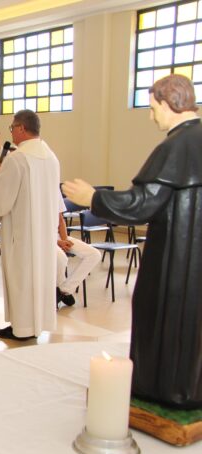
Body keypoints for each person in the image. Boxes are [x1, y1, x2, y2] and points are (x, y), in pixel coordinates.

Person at [62, 74, 202, 408]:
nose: (152, 115)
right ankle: (192, 388)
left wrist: (93, 197)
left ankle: (163, 391)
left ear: (170, 104)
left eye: (154, 108)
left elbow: (143, 204)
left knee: (163, 316)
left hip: (177, 259)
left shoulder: (175, 146)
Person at [0, 110, 60, 341]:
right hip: (44, 230)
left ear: (20, 128)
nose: (12, 132)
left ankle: (22, 328)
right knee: (38, 275)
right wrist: (0, 151)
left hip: (22, 229)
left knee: (20, 275)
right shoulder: (50, 156)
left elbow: (2, 193)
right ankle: (34, 324)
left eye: (12, 127)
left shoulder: (18, 158)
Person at [54, 207, 100, 307]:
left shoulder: (55, 192)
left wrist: (64, 240)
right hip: (44, 239)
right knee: (61, 257)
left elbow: (60, 219)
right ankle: (58, 291)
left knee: (94, 254)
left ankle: (63, 291)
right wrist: (57, 242)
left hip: (59, 237)